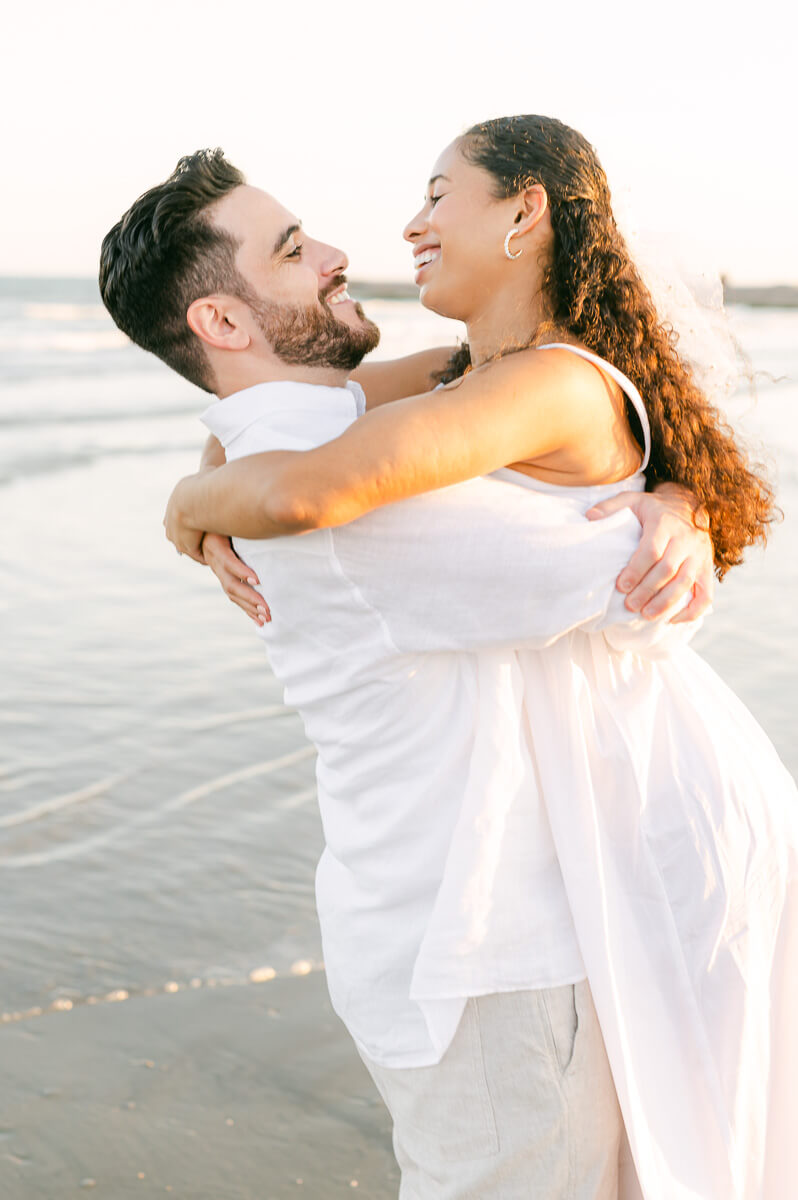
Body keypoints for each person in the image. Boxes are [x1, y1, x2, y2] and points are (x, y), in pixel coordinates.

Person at [99, 122, 794, 1199]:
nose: (360, 244)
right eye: (292, 250)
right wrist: (671, 502)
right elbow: (642, 597)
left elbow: (293, 468)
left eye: (438, 195)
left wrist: (680, 500)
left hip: (567, 881)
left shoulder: (419, 415)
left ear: (525, 214)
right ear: (223, 316)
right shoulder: (420, 416)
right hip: (495, 935)